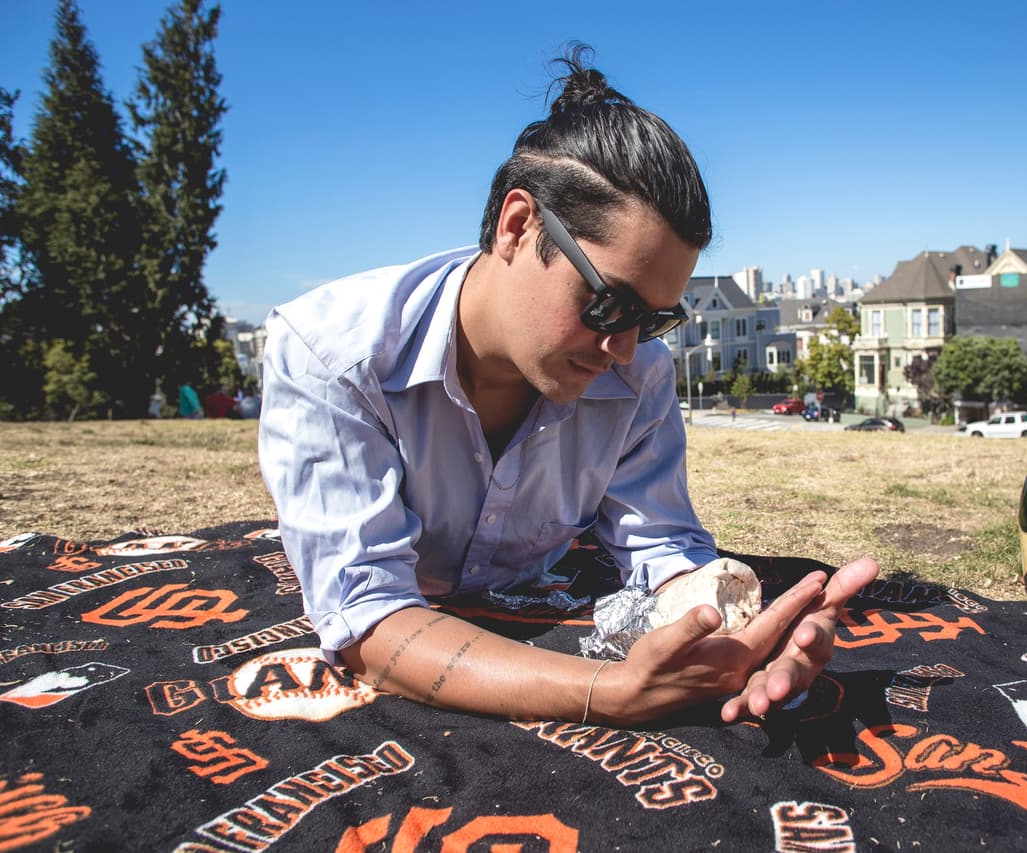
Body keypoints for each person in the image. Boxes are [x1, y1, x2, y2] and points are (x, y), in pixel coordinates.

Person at [258, 46, 877, 726]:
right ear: (518, 226)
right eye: (609, 304)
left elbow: (664, 548)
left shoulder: (638, 372)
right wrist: (604, 691)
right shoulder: (333, 354)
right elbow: (368, 626)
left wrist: (738, 633)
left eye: (655, 320)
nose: (621, 348)